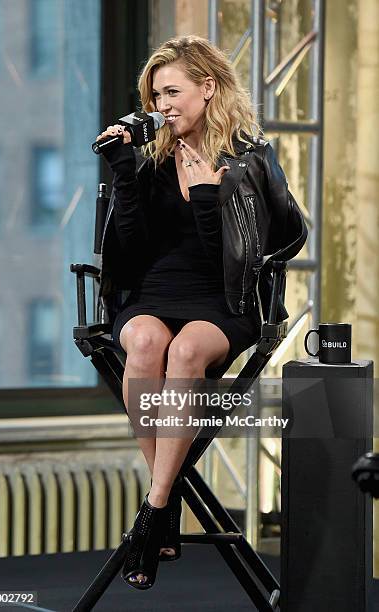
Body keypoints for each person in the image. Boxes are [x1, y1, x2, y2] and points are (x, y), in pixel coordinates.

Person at [97, 35, 307, 590]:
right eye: (154, 95)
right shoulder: (154, 160)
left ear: (208, 88)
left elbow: (268, 243)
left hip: (224, 299)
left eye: (172, 91)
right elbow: (132, 246)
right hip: (154, 291)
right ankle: (163, 504)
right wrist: (123, 167)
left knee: (187, 350)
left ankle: (155, 505)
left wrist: (213, 199)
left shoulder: (249, 157)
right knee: (143, 344)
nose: (162, 105)